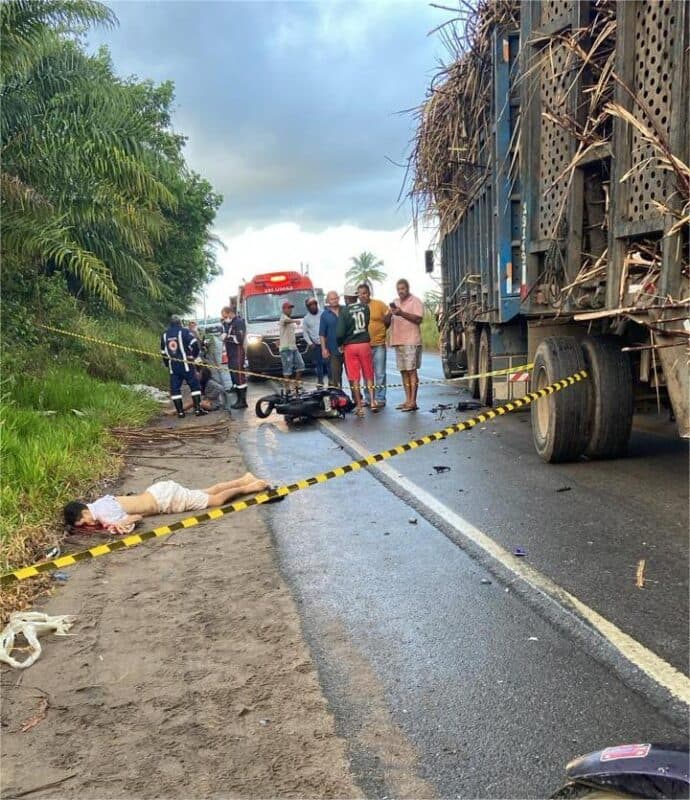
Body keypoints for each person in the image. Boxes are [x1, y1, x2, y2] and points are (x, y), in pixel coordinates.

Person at [63, 473, 271, 535]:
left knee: (213, 501)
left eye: (84, 523)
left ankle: (250, 487)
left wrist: (122, 523)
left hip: (165, 500)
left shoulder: (102, 512)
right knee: (206, 492)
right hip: (159, 493)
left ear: (83, 514)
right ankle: (244, 479)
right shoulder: (99, 504)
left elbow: (136, 517)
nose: (89, 525)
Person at [336, 288, 377, 416]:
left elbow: (340, 333)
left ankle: (359, 406)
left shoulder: (344, 311)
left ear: (347, 298)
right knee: (368, 373)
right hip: (364, 343)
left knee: (354, 377)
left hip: (351, 345)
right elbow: (367, 323)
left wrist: (340, 344)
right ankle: (373, 401)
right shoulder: (365, 308)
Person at [385, 279, 424, 412]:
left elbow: (419, 319)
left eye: (403, 288)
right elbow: (386, 324)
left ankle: (413, 401)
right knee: (403, 372)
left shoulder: (416, 301)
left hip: (411, 341)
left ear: (408, 288)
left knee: (411, 371)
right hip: (398, 341)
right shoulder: (395, 302)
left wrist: (402, 313)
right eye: (398, 289)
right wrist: (390, 313)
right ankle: (407, 400)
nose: (400, 291)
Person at [161, 314, 206, 418]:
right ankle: (198, 410)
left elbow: (163, 352)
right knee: (194, 386)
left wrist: (167, 364)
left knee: (175, 389)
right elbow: (195, 344)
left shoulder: (164, 335)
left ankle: (180, 412)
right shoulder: (184, 332)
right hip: (186, 364)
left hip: (173, 366)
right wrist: (193, 356)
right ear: (180, 323)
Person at [357, 283, 390, 408]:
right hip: (363, 345)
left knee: (380, 373)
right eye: (360, 294)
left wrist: (382, 331)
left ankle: (380, 398)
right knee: (366, 373)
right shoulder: (357, 308)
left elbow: (388, 317)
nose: (362, 296)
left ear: (369, 293)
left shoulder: (379, 304)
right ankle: (367, 397)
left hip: (379, 344)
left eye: (364, 293)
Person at [163, 367, 230, 416]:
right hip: (208, 402)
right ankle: (178, 410)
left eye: (199, 374)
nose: (197, 375)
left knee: (195, 402)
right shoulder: (202, 383)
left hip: (214, 404)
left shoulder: (210, 382)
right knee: (194, 400)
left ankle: (176, 411)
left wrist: (210, 397)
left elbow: (220, 388)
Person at [221, 306, 248, 409]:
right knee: (234, 375)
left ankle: (242, 401)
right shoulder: (229, 323)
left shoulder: (238, 322)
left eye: (225, 316)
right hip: (231, 353)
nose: (224, 318)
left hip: (237, 352)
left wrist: (227, 337)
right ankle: (239, 398)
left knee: (239, 376)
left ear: (229, 313)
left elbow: (239, 339)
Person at [319, 291, 343, 388]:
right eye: (332, 299)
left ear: (338, 298)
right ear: (328, 301)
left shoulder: (345, 310)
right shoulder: (325, 315)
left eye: (336, 298)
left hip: (347, 348)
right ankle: (338, 398)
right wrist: (324, 349)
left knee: (352, 375)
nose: (334, 301)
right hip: (333, 350)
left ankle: (356, 397)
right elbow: (322, 334)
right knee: (335, 376)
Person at [279, 300, 304, 392]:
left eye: (291, 308)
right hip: (286, 348)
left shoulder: (289, 319)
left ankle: (296, 384)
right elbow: (286, 321)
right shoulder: (283, 318)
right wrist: (295, 320)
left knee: (301, 365)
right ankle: (287, 387)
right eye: (288, 308)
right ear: (284, 309)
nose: (290, 310)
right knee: (287, 369)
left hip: (293, 347)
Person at [302, 297, 327, 387]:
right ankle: (320, 381)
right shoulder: (306, 319)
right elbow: (305, 333)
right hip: (316, 345)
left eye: (314, 304)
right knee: (318, 364)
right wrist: (310, 343)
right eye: (310, 305)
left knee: (328, 363)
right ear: (307, 307)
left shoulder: (323, 313)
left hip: (327, 343)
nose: (313, 306)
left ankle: (332, 381)